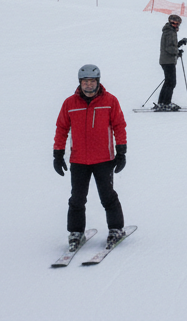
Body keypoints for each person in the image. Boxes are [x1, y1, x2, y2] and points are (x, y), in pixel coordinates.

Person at [54, 64, 127, 250]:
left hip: (104, 159)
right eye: (85, 82)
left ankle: (116, 229)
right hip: (79, 160)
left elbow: (119, 126)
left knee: (107, 196)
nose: (88, 85)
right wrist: (58, 153)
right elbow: (62, 128)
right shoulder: (69, 103)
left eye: (91, 81)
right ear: (80, 83)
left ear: (98, 82)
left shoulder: (110, 101)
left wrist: (121, 151)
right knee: (77, 199)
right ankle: (76, 232)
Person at [155, 14, 187, 111]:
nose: (175, 25)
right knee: (171, 82)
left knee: (168, 82)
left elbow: (171, 46)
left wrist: (180, 43)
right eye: (173, 22)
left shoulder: (170, 31)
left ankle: (162, 103)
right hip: (167, 61)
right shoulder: (169, 32)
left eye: (177, 23)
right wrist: (177, 51)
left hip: (167, 60)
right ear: (170, 22)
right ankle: (166, 103)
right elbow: (169, 48)